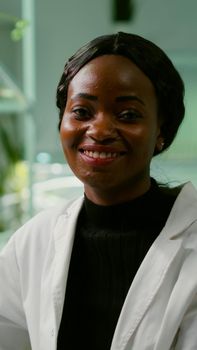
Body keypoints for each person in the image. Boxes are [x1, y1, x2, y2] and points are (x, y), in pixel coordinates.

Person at [0, 32, 197, 350]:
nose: (100, 130)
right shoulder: (33, 242)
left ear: (161, 129)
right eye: (81, 112)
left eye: (128, 115)